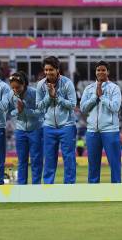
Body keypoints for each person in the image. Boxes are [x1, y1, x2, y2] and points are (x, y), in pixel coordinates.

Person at [37, 56, 77, 184]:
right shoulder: (40, 85)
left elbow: (73, 104)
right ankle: (48, 187)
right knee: (49, 158)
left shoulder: (67, 83)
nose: (48, 73)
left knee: (69, 157)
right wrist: (50, 97)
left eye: (51, 70)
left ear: (57, 70)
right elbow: (39, 106)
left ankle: (69, 186)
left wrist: (57, 97)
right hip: (48, 126)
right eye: (46, 70)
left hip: (67, 125)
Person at [80, 60, 122, 183]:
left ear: (108, 72)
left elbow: (115, 107)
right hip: (92, 130)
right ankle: (93, 191)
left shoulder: (114, 88)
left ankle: (116, 189)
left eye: (103, 70)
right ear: (95, 72)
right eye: (98, 70)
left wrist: (102, 97)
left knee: (114, 163)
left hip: (110, 130)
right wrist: (95, 97)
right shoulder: (88, 89)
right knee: (93, 164)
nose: (101, 72)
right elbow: (83, 108)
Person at [8, 71, 43, 185]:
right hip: (20, 131)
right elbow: (9, 112)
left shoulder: (34, 93)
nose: (15, 90)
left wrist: (25, 111)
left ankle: (36, 185)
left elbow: (40, 112)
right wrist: (17, 111)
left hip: (36, 130)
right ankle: (21, 186)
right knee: (21, 160)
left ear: (25, 84)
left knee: (36, 160)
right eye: (13, 88)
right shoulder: (11, 95)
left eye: (18, 87)